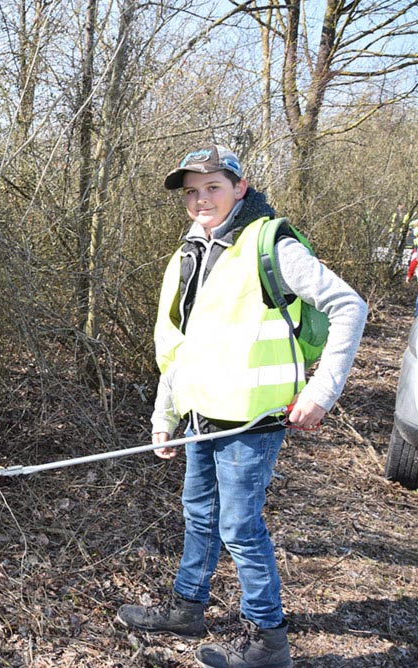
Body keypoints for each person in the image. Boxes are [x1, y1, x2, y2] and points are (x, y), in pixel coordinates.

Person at [116, 145, 367, 668]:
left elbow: (349, 305)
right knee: (198, 516)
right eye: (192, 190)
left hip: (252, 421)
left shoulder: (269, 242)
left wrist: (323, 392)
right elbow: (178, 347)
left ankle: (267, 642)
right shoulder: (190, 251)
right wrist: (166, 416)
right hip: (200, 417)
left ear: (240, 187)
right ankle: (188, 608)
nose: (201, 198)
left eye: (213, 186)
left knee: (239, 528)